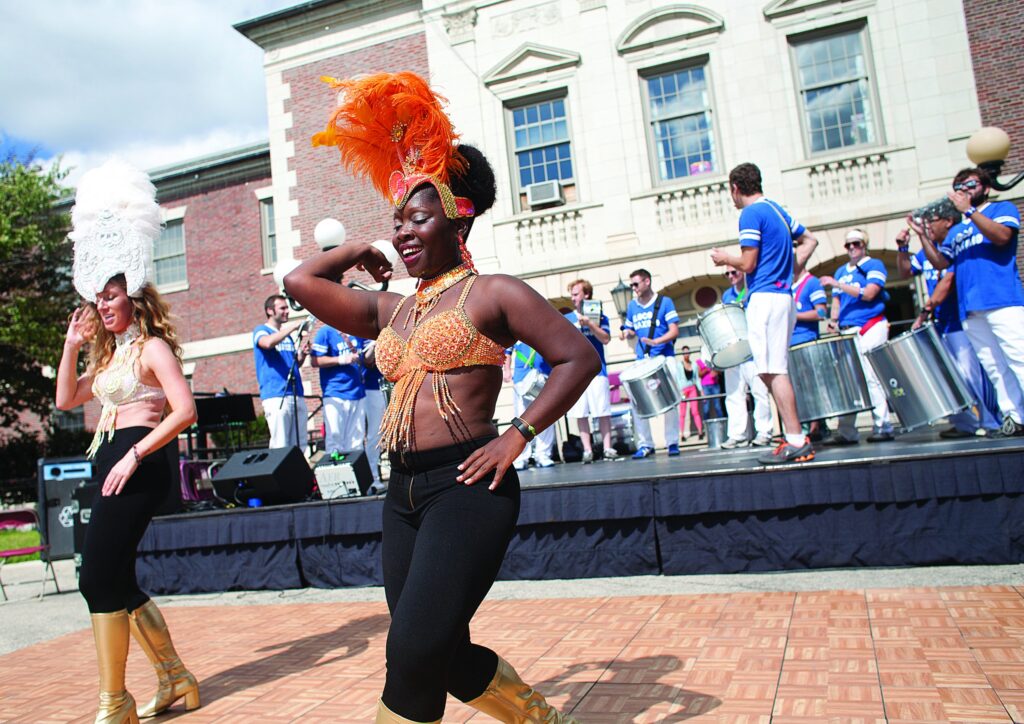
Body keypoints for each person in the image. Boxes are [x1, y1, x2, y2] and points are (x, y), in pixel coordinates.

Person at [286, 72, 596, 723]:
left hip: (467, 488)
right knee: (438, 650)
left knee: (411, 649)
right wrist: (356, 248)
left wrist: (518, 435)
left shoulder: (493, 293)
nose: (402, 232)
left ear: (459, 220)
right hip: (402, 495)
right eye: (396, 221)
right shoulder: (391, 310)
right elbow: (300, 281)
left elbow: (579, 356)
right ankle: (537, 715)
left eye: (417, 218)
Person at [55, 160, 200, 722]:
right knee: (114, 577)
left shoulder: (151, 349)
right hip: (109, 461)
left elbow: (184, 410)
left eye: (114, 297)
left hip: (139, 459)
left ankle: (115, 702)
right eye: (99, 301)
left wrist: (138, 452)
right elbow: (68, 400)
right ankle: (176, 678)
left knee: (95, 577)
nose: (105, 307)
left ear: (134, 298)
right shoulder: (110, 356)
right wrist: (71, 346)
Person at [711, 162, 818, 464]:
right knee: (772, 369)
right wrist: (792, 270)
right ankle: (793, 437)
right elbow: (810, 239)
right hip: (783, 295)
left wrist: (724, 258)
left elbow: (747, 263)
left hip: (766, 297)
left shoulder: (751, 213)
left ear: (735, 188)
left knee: (773, 370)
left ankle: (796, 439)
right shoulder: (776, 210)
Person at [914, 167, 1024, 436]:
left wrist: (970, 212)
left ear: (985, 188)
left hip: (1002, 299)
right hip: (971, 308)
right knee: (995, 367)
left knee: (1019, 358)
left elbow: (1002, 237)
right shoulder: (957, 230)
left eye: (970, 184)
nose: (964, 190)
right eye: (959, 186)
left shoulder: (1001, 209)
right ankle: (1015, 416)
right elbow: (941, 262)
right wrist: (922, 235)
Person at [820, 228, 896, 443]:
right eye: (848, 245)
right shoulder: (841, 271)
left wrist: (839, 285)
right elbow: (836, 301)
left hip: (870, 325)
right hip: (847, 328)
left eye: (857, 244)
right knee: (848, 380)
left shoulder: (873, 265)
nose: (852, 248)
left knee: (872, 376)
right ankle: (846, 431)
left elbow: (870, 293)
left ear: (865, 245)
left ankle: (883, 425)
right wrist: (833, 321)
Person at [620, 268, 681, 458]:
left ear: (647, 282)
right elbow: (629, 329)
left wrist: (657, 341)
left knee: (670, 402)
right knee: (637, 402)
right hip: (643, 360)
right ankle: (645, 444)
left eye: (636, 284)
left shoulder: (664, 302)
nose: (633, 288)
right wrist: (626, 333)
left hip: (664, 357)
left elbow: (674, 330)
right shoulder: (632, 306)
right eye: (631, 285)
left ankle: (672, 442)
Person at [564, 279, 620, 462]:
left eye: (576, 294)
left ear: (586, 295)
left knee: (602, 410)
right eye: (571, 294)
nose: (573, 298)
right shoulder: (568, 319)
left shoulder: (599, 315)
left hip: (597, 370)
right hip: (576, 373)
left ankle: (607, 447)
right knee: (580, 413)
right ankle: (587, 450)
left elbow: (605, 339)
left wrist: (590, 324)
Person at [718, 267, 773, 448]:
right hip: (734, 351)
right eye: (727, 274)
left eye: (734, 272)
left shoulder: (753, 289)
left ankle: (764, 431)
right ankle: (737, 434)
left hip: (753, 349)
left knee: (759, 392)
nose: (731, 277)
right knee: (734, 394)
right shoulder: (726, 295)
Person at [253, 295, 310, 450]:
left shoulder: (286, 337)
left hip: (296, 392)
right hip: (276, 394)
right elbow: (267, 343)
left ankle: (297, 474)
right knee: (281, 445)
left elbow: (294, 364)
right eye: (282, 308)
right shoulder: (261, 331)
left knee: (299, 445)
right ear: (270, 311)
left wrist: (302, 355)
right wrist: (293, 327)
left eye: (287, 308)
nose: (287, 311)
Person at [311, 324, 367, 455]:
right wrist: (341, 359)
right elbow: (315, 360)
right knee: (335, 440)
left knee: (356, 442)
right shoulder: (326, 331)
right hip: (335, 392)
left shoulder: (355, 330)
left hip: (358, 392)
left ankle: (354, 473)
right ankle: (336, 474)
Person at [504, 341, 557, 470]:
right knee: (521, 419)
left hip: (543, 375)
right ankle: (521, 455)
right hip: (521, 377)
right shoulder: (515, 328)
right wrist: (506, 370)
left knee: (546, 416)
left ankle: (543, 454)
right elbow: (507, 351)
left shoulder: (547, 326)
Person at [790, 267, 829, 440]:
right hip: (789, 343)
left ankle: (817, 425)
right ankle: (802, 425)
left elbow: (821, 312)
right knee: (796, 387)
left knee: (811, 385)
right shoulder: (788, 285)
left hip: (806, 340)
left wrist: (795, 315)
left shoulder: (812, 282)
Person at [353, 336, 387, 492]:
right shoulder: (359, 334)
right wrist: (376, 343)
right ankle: (371, 477)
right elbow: (366, 360)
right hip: (370, 387)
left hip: (389, 384)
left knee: (383, 434)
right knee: (371, 434)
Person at [677, 345, 704, 441]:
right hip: (683, 390)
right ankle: (682, 434)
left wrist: (701, 390)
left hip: (692, 389)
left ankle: (700, 431)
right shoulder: (679, 365)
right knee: (682, 413)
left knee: (695, 411)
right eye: (684, 352)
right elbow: (678, 379)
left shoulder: (694, 365)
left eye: (687, 352)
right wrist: (681, 391)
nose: (686, 354)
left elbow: (697, 379)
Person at [697, 351, 723, 420]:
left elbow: (720, 370)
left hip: (715, 385)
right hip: (705, 387)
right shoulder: (699, 361)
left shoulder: (714, 359)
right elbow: (699, 374)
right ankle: (707, 427)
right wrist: (706, 369)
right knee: (706, 408)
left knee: (718, 406)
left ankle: (722, 425)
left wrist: (716, 372)